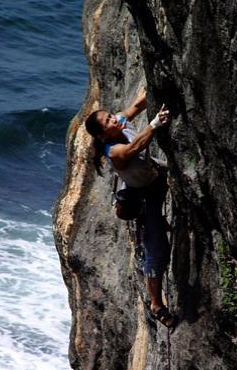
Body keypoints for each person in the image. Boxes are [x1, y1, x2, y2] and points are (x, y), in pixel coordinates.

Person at [84, 89, 176, 328]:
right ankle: (156, 304)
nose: (114, 119)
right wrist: (154, 124)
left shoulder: (120, 122)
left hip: (154, 173)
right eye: (108, 121)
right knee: (157, 249)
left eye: (111, 116)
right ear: (103, 135)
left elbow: (136, 104)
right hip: (144, 194)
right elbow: (133, 148)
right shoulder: (113, 151)